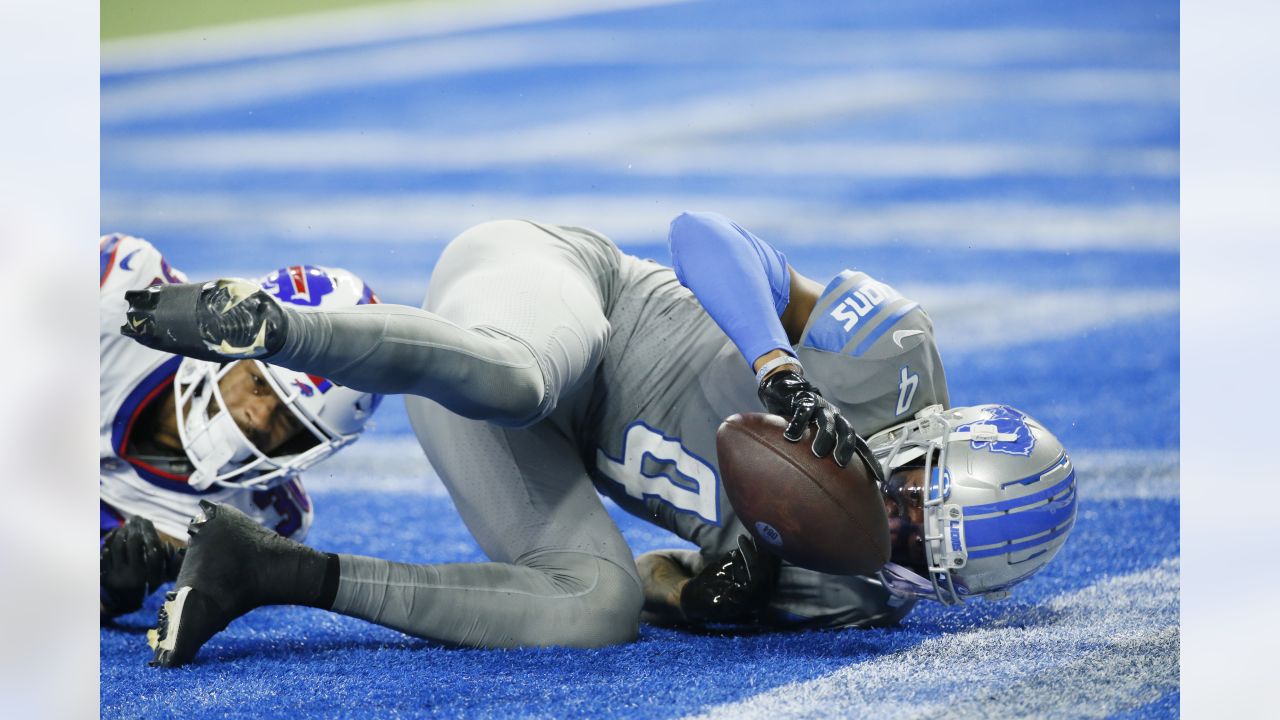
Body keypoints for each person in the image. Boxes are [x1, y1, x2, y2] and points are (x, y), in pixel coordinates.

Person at [119, 213, 1076, 666]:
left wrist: (709, 598)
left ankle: (264, 570)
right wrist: (779, 364)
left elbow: (660, 583)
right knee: (519, 374)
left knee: (596, 609)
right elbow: (705, 235)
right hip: (566, 294)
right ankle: (269, 327)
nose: (895, 528)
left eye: (919, 551)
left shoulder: (850, 603)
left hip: (537, 447)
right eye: (914, 496)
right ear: (934, 438)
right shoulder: (890, 359)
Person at [98, 233, 384, 619]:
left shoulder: (265, 518)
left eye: (290, 421)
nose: (260, 418)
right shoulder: (118, 289)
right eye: (259, 383)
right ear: (224, 340)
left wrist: (111, 588)